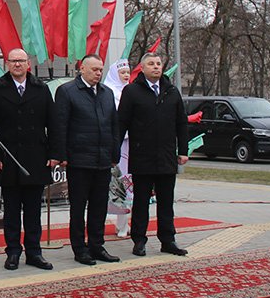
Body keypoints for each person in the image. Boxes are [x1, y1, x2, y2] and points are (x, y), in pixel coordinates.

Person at [0, 49, 54, 271]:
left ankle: (34, 252)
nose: (17, 65)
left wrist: (54, 154)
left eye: (21, 61)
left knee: (33, 210)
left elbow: (53, 123)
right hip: (8, 158)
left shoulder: (41, 89)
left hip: (36, 158)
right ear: (7, 63)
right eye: (13, 61)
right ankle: (12, 251)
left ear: (28, 63)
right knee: (11, 210)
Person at [117, 52, 189, 257]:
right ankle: (139, 240)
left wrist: (182, 150)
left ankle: (168, 240)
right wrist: (114, 151)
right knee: (141, 202)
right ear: (143, 68)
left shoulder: (171, 91)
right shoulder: (132, 91)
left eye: (158, 63)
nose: (156, 67)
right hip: (142, 156)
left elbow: (181, 123)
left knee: (166, 202)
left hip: (166, 157)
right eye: (151, 64)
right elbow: (121, 122)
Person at [50, 54, 120, 266]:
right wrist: (61, 155)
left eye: (100, 69)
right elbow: (60, 125)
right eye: (94, 69)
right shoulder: (68, 92)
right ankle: (80, 249)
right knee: (78, 207)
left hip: (102, 160)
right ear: (82, 69)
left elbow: (114, 126)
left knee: (99, 206)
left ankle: (97, 246)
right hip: (79, 160)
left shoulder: (107, 93)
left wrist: (114, 154)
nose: (98, 73)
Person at [103, 58, 134, 238]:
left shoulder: (131, 91)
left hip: (133, 144)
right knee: (119, 184)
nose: (126, 76)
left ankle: (126, 224)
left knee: (130, 184)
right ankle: (120, 223)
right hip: (118, 144)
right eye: (122, 73)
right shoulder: (109, 92)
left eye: (128, 73)